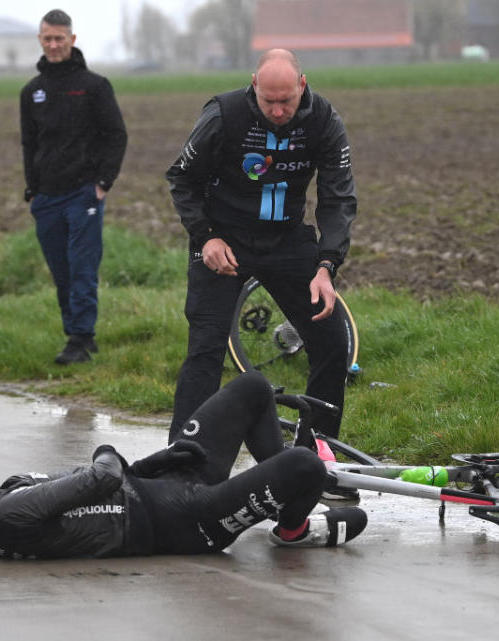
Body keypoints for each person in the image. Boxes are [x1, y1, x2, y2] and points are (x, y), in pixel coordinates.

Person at [0, 371, 368, 558]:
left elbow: (102, 491)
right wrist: (108, 451)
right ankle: (293, 531)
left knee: (254, 388)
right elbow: (102, 476)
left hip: (161, 487)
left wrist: (150, 463)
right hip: (185, 521)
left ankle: (289, 501)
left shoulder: (0, 505)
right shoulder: (5, 514)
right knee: (304, 465)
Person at [165, 48, 357, 491]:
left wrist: (327, 265)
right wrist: (205, 235)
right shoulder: (224, 114)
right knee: (206, 347)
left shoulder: (324, 120)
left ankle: (316, 458)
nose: (276, 110)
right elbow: (182, 178)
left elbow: (338, 197)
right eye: (267, 99)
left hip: (287, 239)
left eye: (285, 100)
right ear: (253, 84)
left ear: (302, 85)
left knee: (330, 338)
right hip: (224, 238)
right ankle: (181, 465)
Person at [20, 9, 128, 365]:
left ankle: (81, 338)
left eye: (59, 39)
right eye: (47, 38)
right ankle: (77, 333)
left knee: (82, 266)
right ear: (40, 40)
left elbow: (116, 135)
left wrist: (103, 183)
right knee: (61, 270)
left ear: (72, 40)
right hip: (46, 196)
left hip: (84, 193)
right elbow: (29, 144)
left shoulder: (94, 86)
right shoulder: (31, 91)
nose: (53, 45)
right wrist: (32, 189)